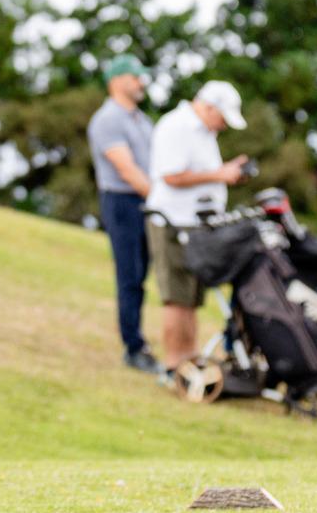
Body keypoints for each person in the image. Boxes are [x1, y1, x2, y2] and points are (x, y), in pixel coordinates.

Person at [145, 80, 253, 364]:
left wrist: (226, 172)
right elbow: (171, 175)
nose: (224, 126)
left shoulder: (205, 133)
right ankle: (175, 363)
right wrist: (220, 175)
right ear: (208, 107)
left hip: (196, 227)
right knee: (177, 297)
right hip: (173, 222)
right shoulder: (176, 126)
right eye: (223, 118)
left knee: (191, 299)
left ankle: (190, 359)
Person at [86, 54, 161, 374]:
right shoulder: (108, 119)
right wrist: (162, 199)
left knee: (141, 274)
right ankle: (134, 347)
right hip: (123, 202)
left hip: (147, 202)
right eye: (134, 77)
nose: (141, 82)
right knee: (129, 276)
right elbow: (127, 170)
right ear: (116, 81)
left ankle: (137, 340)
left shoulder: (142, 120)